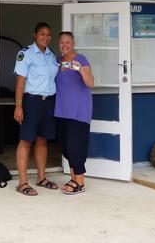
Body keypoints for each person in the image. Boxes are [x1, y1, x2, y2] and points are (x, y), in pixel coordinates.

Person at [13, 22, 60, 196]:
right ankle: (23, 183)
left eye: (48, 34)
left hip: (49, 102)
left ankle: (41, 178)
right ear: (35, 35)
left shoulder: (51, 56)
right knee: (26, 140)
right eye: (42, 34)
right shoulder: (25, 54)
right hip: (31, 102)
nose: (46, 37)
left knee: (42, 140)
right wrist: (18, 106)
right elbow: (20, 82)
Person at [54, 31, 94, 195]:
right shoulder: (57, 62)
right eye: (62, 42)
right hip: (61, 110)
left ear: (73, 43)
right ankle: (73, 178)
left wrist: (80, 70)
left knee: (75, 146)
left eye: (68, 42)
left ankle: (80, 182)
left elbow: (90, 83)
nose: (65, 45)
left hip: (78, 111)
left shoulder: (81, 59)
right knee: (65, 147)